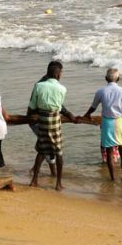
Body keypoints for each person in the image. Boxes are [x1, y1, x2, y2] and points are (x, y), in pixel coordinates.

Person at [28, 60, 78, 190]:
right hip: (54, 120)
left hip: (42, 120)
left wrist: (31, 117)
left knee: (41, 150)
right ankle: (58, 183)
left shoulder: (38, 85)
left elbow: (32, 106)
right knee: (58, 152)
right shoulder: (62, 89)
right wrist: (68, 114)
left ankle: (34, 180)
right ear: (58, 74)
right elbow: (59, 106)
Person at [82, 67, 122, 182]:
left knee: (109, 153)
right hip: (120, 122)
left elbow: (93, 107)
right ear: (118, 79)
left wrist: (87, 115)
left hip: (107, 123)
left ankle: (113, 178)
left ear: (105, 78)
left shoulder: (101, 91)